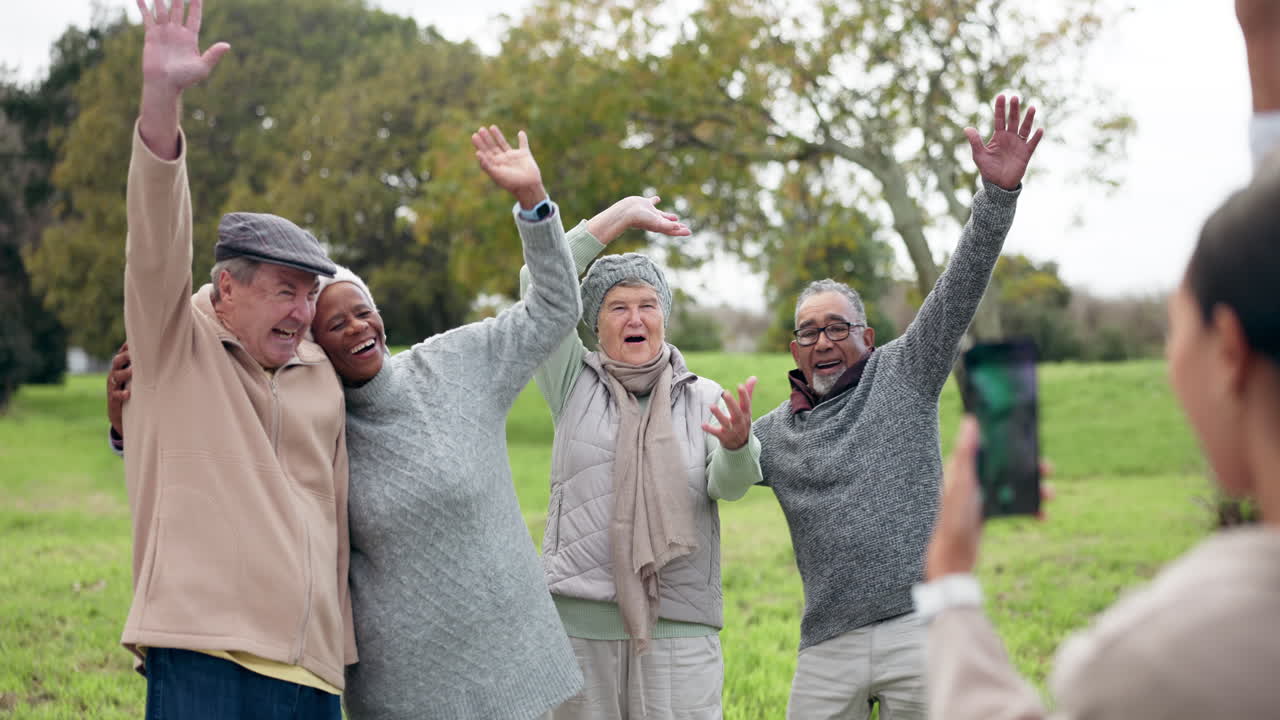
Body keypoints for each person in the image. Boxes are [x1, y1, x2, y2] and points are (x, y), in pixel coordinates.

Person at [918, 4, 1280, 718]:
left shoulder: (1168, 660)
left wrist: (951, 576)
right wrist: (1260, 41)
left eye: (1174, 331)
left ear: (1229, 351)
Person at [748, 94, 1043, 720]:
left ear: (867, 336)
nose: (823, 341)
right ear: (794, 348)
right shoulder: (772, 434)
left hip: (919, 628)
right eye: (808, 331)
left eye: (837, 326)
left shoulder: (904, 373)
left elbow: (959, 287)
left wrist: (996, 199)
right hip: (827, 645)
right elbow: (703, 475)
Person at [120, 1, 353, 717]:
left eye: (310, 295)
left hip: (313, 671)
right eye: (285, 291)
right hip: (203, 656)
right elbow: (156, 234)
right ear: (226, 288)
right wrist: (163, 97)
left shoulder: (322, 377)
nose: (302, 311)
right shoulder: (171, 343)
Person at [531, 199, 762, 719]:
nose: (635, 318)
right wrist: (619, 218)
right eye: (618, 307)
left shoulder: (704, 395)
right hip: (579, 628)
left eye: (647, 305)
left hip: (680, 626)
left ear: (664, 317)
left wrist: (736, 446)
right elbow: (538, 280)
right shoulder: (571, 381)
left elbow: (730, 485)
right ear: (594, 322)